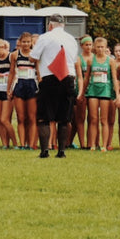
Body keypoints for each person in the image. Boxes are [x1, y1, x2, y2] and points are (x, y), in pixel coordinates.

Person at [29, 14, 79, 158]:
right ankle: (61, 150)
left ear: (50, 25)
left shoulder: (45, 37)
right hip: (68, 77)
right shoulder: (71, 39)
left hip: (49, 77)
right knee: (64, 117)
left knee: (44, 116)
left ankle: (45, 150)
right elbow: (73, 59)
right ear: (63, 25)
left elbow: (34, 57)